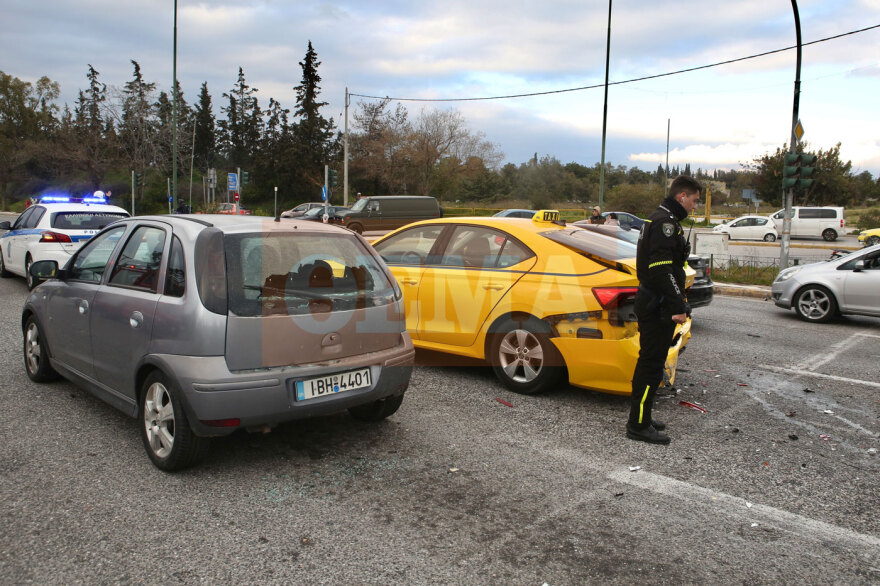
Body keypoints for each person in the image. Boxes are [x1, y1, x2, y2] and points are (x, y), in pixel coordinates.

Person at [626, 175, 701, 444]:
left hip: (653, 299)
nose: (695, 206)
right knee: (651, 364)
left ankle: (642, 417)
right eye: (694, 200)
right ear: (682, 196)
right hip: (657, 303)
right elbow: (662, 270)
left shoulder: (660, 218)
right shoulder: (665, 223)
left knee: (650, 362)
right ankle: (637, 425)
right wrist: (677, 304)